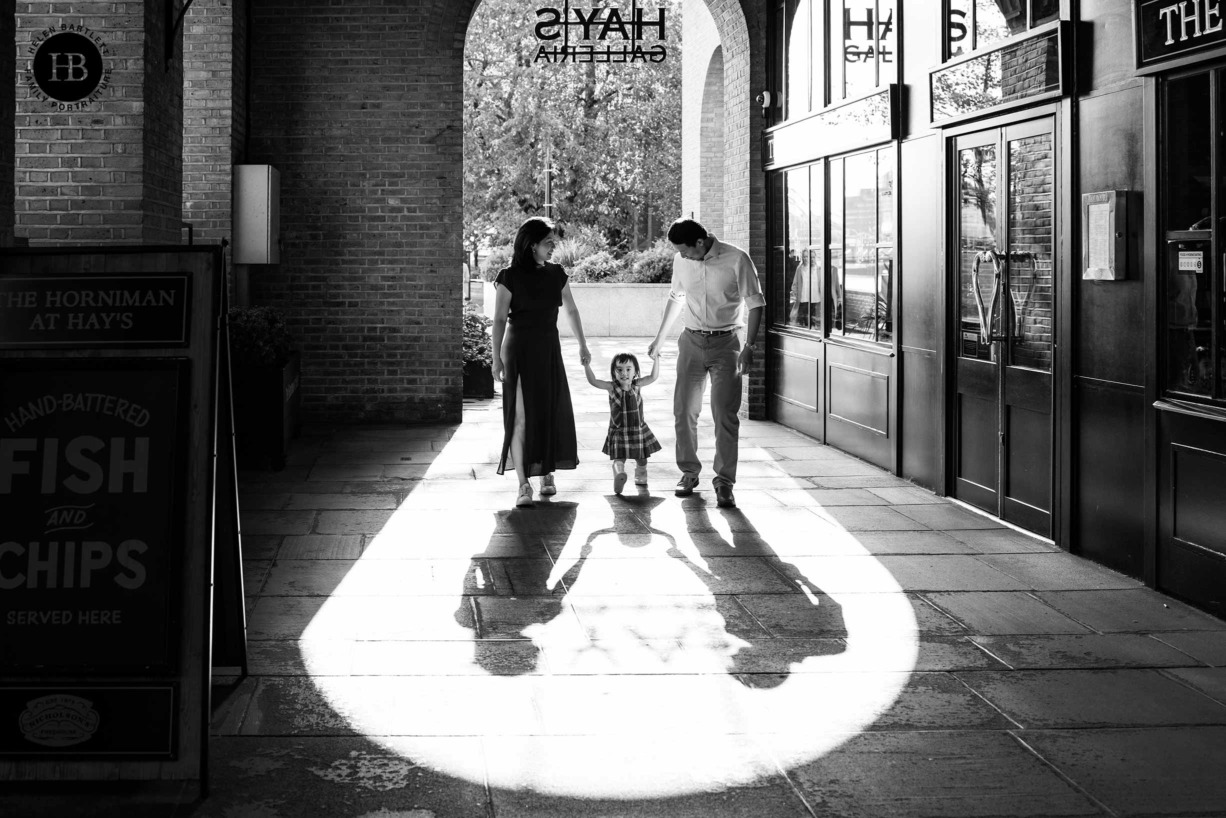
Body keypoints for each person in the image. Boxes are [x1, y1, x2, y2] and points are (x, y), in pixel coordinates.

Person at [648, 218, 765, 508]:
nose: (682, 256)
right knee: (684, 410)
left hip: (727, 344)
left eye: (685, 250)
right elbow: (676, 297)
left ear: (700, 242)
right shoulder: (681, 259)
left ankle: (724, 482)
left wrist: (749, 347)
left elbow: (756, 303)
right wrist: (660, 338)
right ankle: (689, 472)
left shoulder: (737, 259)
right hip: (690, 341)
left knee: (725, 415)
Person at [491, 216, 592, 508]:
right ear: (532, 244)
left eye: (554, 242)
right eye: (549, 242)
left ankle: (547, 472)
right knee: (520, 417)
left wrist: (583, 344)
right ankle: (523, 484)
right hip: (518, 350)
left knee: (548, 411)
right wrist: (495, 359)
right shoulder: (507, 276)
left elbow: (571, 310)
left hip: (549, 349)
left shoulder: (557, 273)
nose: (553, 247)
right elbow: (498, 319)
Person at [584, 350, 663, 495]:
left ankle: (641, 474)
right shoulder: (611, 387)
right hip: (619, 431)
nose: (624, 373)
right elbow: (594, 381)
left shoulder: (637, 385)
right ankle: (619, 476)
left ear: (635, 372)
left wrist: (656, 359)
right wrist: (587, 366)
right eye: (619, 370)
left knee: (642, 459)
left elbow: (653, 377)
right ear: (614, 372)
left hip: (637, 430)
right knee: (619, 459)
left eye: (628, 369)